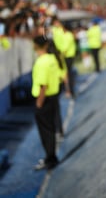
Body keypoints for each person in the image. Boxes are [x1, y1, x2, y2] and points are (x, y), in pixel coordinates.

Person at [31, 35, 61, 170]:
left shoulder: (42, 62)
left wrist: (39, 103)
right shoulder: (51, 59)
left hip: (45, 100)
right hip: (53, 97)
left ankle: (50, 158)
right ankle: (51, 156)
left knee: (46, 131)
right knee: (50, 129)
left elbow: (43, 85)